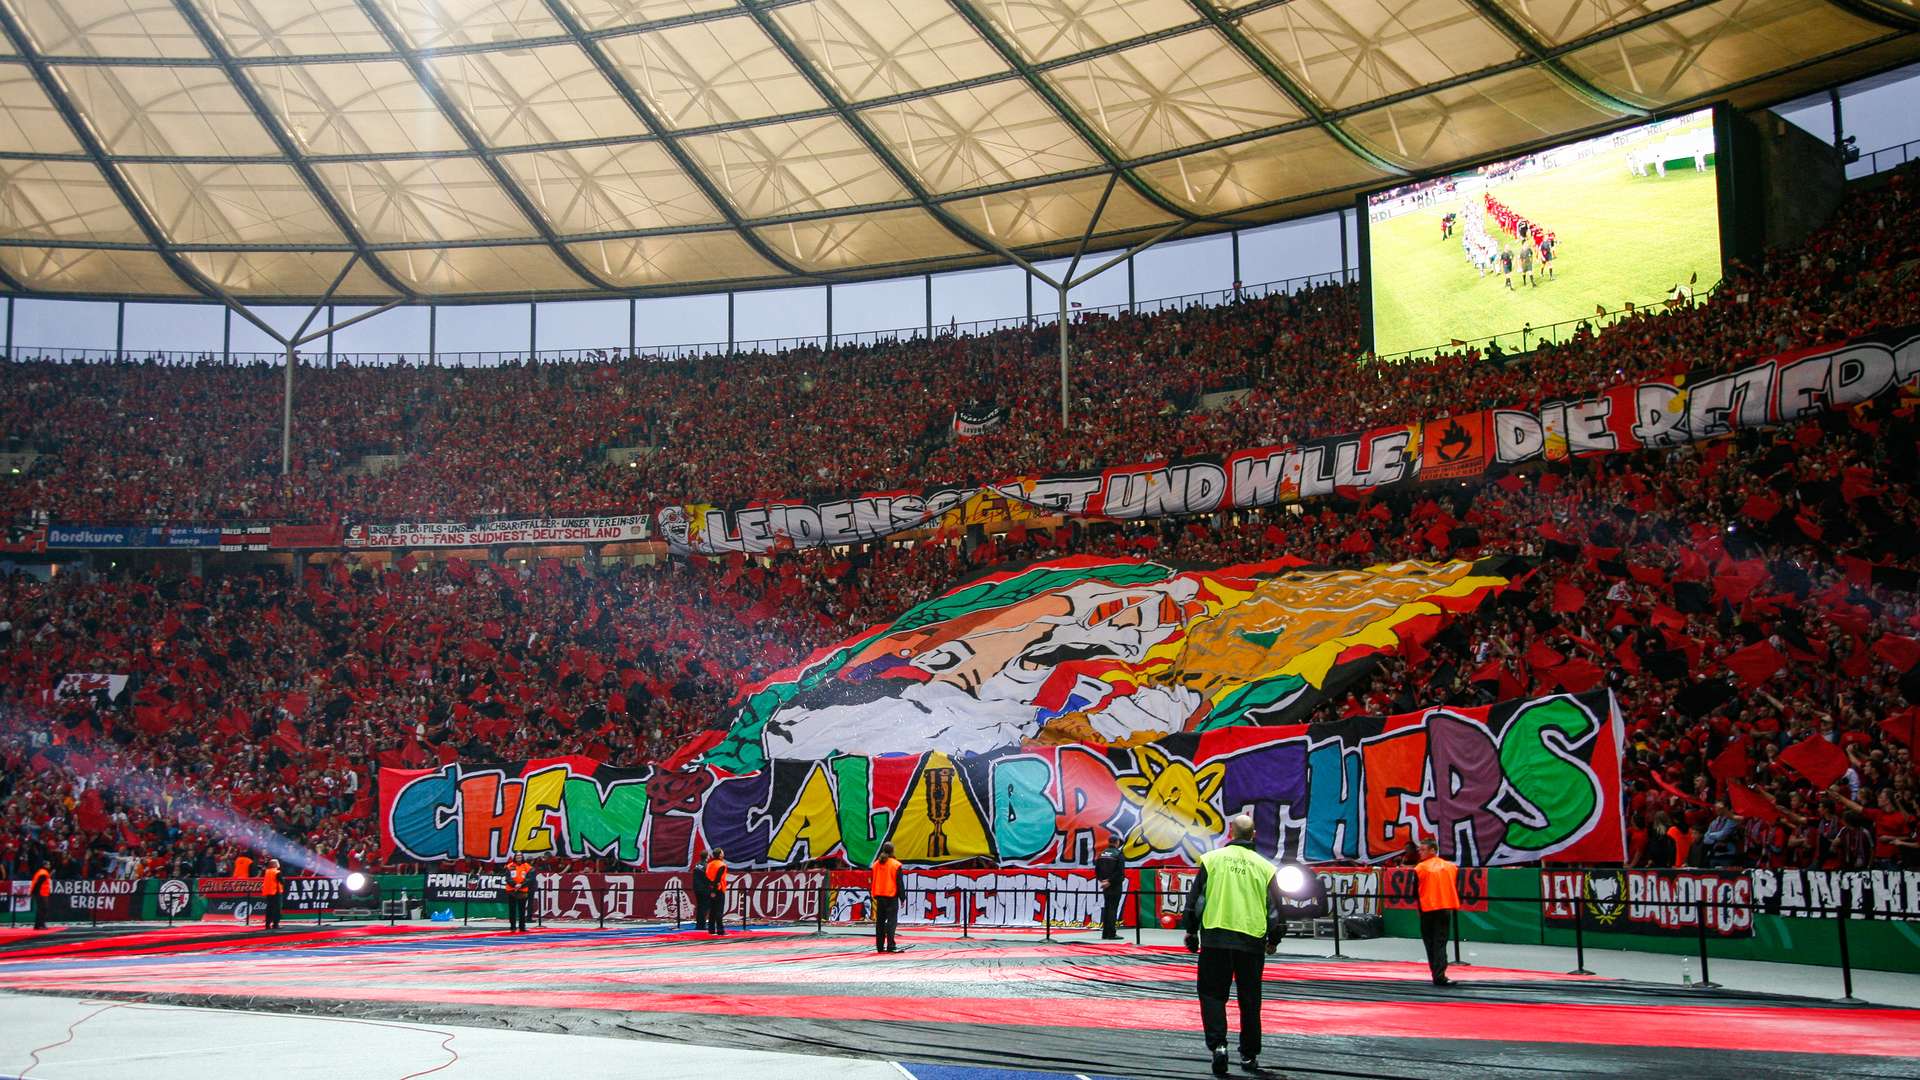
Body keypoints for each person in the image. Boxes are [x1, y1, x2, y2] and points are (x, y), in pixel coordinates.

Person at [1182, 814, 1285, 1077]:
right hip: (1251, 940)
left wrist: (1191, 931)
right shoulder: (1265, 867)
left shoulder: (1212, 860)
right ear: (1254, 834)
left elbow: (1197, 900)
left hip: (1216, 937)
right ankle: (1249, 1055)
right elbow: (1275, 908)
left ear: (1231, 832)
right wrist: (1274, 939)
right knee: (1250, 1000)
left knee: (1212, 995)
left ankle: (1218, 1046)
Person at [1414, 839, 1460, 986]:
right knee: (1440, 943)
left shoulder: (1420, 868)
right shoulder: (1451, 867)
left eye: (1423, 849)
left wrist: (1419, 908)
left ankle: (1437, 973)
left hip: (1428, 909)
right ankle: (1439, 974)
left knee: (1430, 942)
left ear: (1433, 850)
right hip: (1445, 908)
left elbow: (1415, 891)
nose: (1420, 852)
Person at [871, 842, 902, 953]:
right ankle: (891, 945)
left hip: (879, 896)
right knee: (891, 922)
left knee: (880, 922)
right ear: (892, 850)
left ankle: (879, 946)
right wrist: (902, 897)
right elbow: (899, 883)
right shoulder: (896, 865)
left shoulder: (876, 864)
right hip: (891, 896)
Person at [1094, 838, 1126, 940]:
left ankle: (1105, 933)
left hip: (1105, 885)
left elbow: (1097, 869)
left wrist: (1102, 881)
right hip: (1114, 885)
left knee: (1107, 908)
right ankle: (1111, 933)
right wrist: (1109, 881)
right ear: (1117, 842)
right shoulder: (1118, 854)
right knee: (1113, 909)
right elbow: (1120, 872)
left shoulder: (1102, 854)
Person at [702, 848, 729, 935]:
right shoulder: (722, 865)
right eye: (722, 853)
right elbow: (718, 879)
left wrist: (710, 889)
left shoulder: (709, 864)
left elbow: (706, 877)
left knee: (712, 910)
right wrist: (714, 890)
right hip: (718, 889)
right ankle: (720, 930)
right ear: (720, 855)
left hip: (709, 888)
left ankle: (711, 929)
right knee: (719, 911)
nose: (723, 854)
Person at [505, 856, 532, 932]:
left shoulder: (527, 866)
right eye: (517, 856)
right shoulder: (509, 866)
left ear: (522, 857)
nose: (519, 857)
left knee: (522, 910)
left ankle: (522, 927)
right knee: (512, 910)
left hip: (523, 890)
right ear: (515, 857)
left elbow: (530, 878)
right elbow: (508, 878)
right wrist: (514, 885)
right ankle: (512, 927)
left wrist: (521, 885)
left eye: (520, 856)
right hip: (511, 890)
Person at [261, 859, 283, 929]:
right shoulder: (277, 872)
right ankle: (275, 924)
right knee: (277, 909)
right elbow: (282, 882)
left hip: (268, 892)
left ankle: (267, 924)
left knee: (269, 909)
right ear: (275, 864)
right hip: (276, 892)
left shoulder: (267, 871)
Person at [29, 863, 51, 930]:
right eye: (48, 865)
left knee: (40, 909)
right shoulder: (43, 873)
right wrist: (36, 893)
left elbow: (36, 883)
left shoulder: (41, 872)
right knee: (43, 909)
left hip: (40, 893)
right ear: (45, 866)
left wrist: (33, 892)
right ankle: (41, 925)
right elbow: (38, 884)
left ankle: (37, 925)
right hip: (41, 893)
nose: (49, 866)